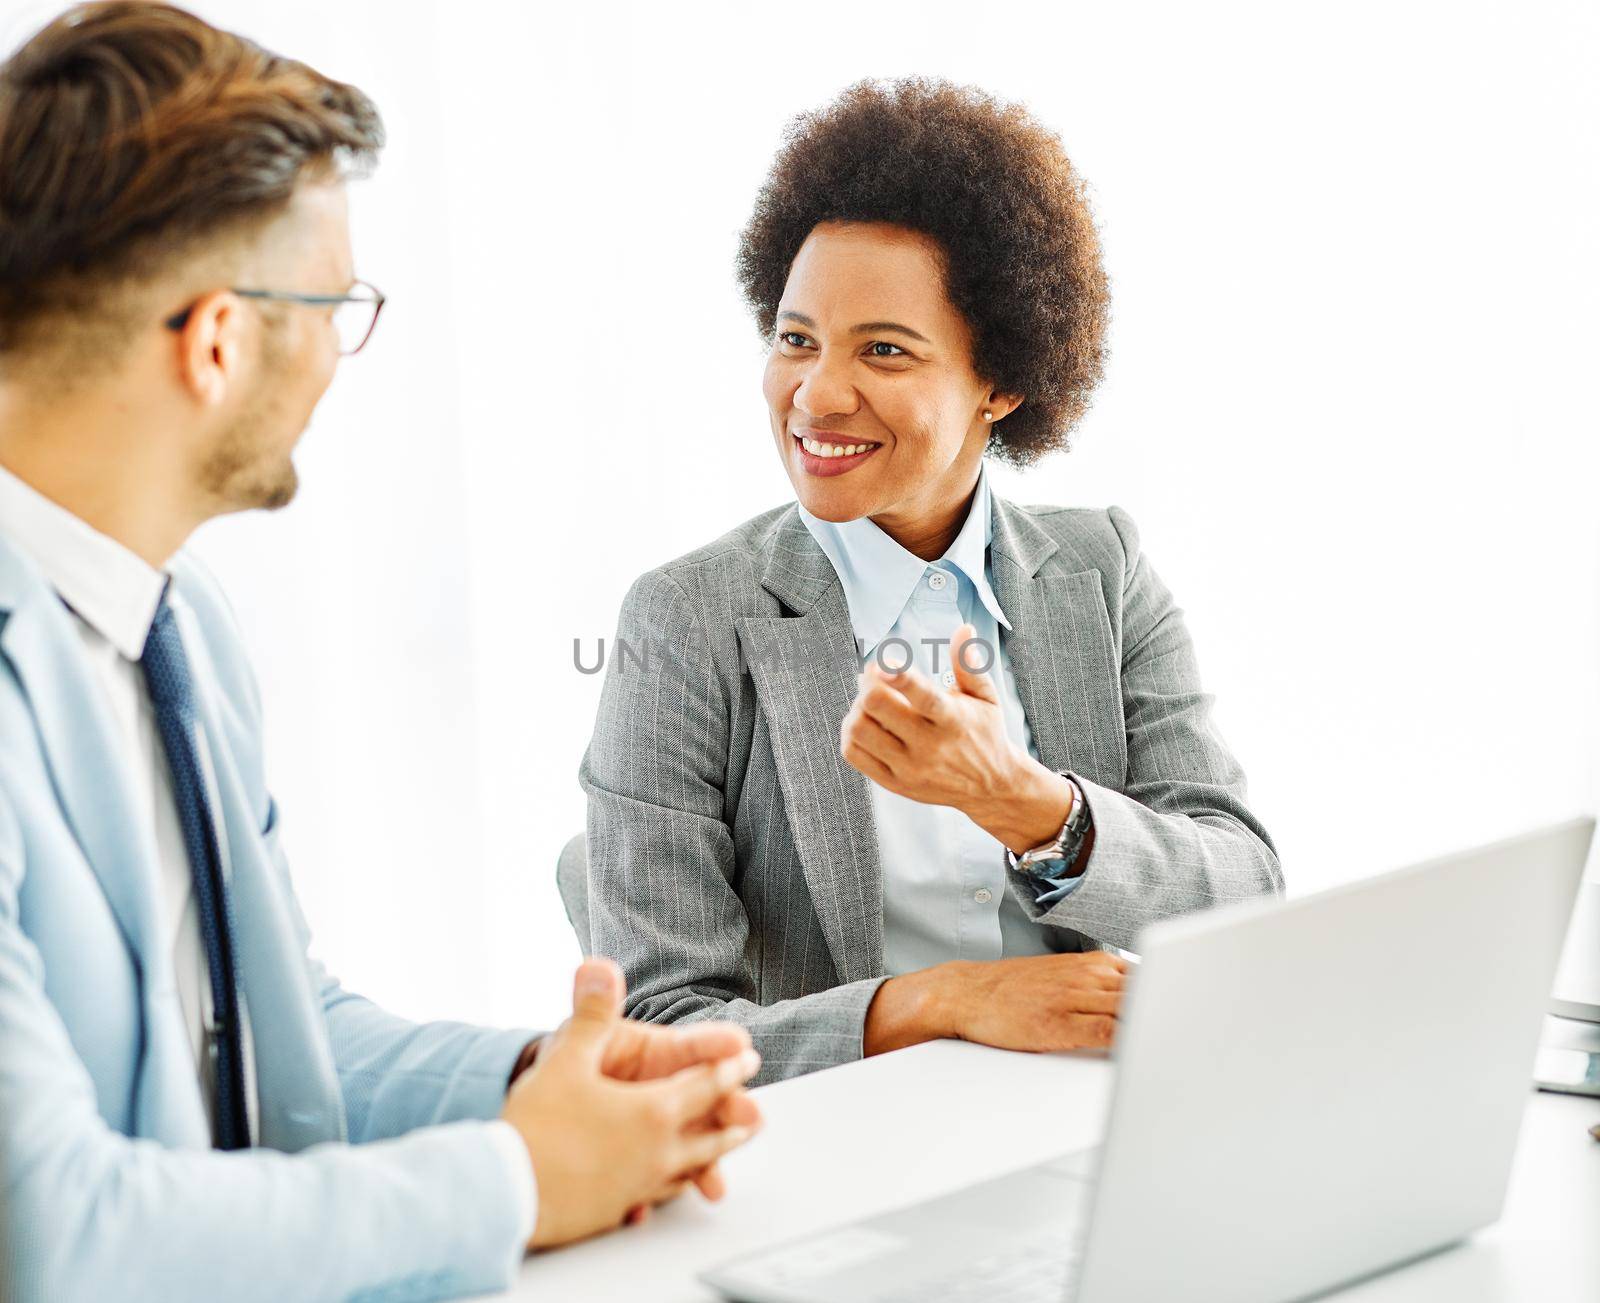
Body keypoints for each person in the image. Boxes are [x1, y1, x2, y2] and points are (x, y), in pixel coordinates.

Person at [0, 5, 760, 1301]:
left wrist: (540, 1088)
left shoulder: (182, 632)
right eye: (336, 302)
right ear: (221, 341)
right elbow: (53, 1233)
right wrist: (519, 1178)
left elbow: (279, 1043)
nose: (341, 355)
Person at [579, 78, 1283, 1083]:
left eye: (885, 350)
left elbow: (1244, 886)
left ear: (999, 381)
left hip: (1085, 1116)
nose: (816, 394)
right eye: (796, 339)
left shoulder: (1101, 571)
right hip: (841, 1145)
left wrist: (1029, 805)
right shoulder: (687, 618)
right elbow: (657, 1025)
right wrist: (944, 1004)